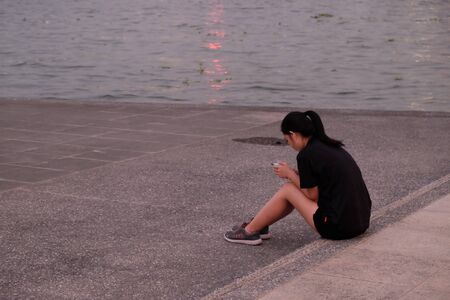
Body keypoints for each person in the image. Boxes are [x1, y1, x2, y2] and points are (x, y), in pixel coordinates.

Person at [224, 111, 372, 245]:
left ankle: (249, 231)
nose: (289, 144)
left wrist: (289, 174)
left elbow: (312, 195)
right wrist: (296, 174)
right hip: (360, 221)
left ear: (293, 134)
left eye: (287, 140)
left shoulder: (306, 155)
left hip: (337, 227)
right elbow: (323, 181)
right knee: (291, 188)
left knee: (288, 189)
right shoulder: (329, 146)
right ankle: (260, 225)